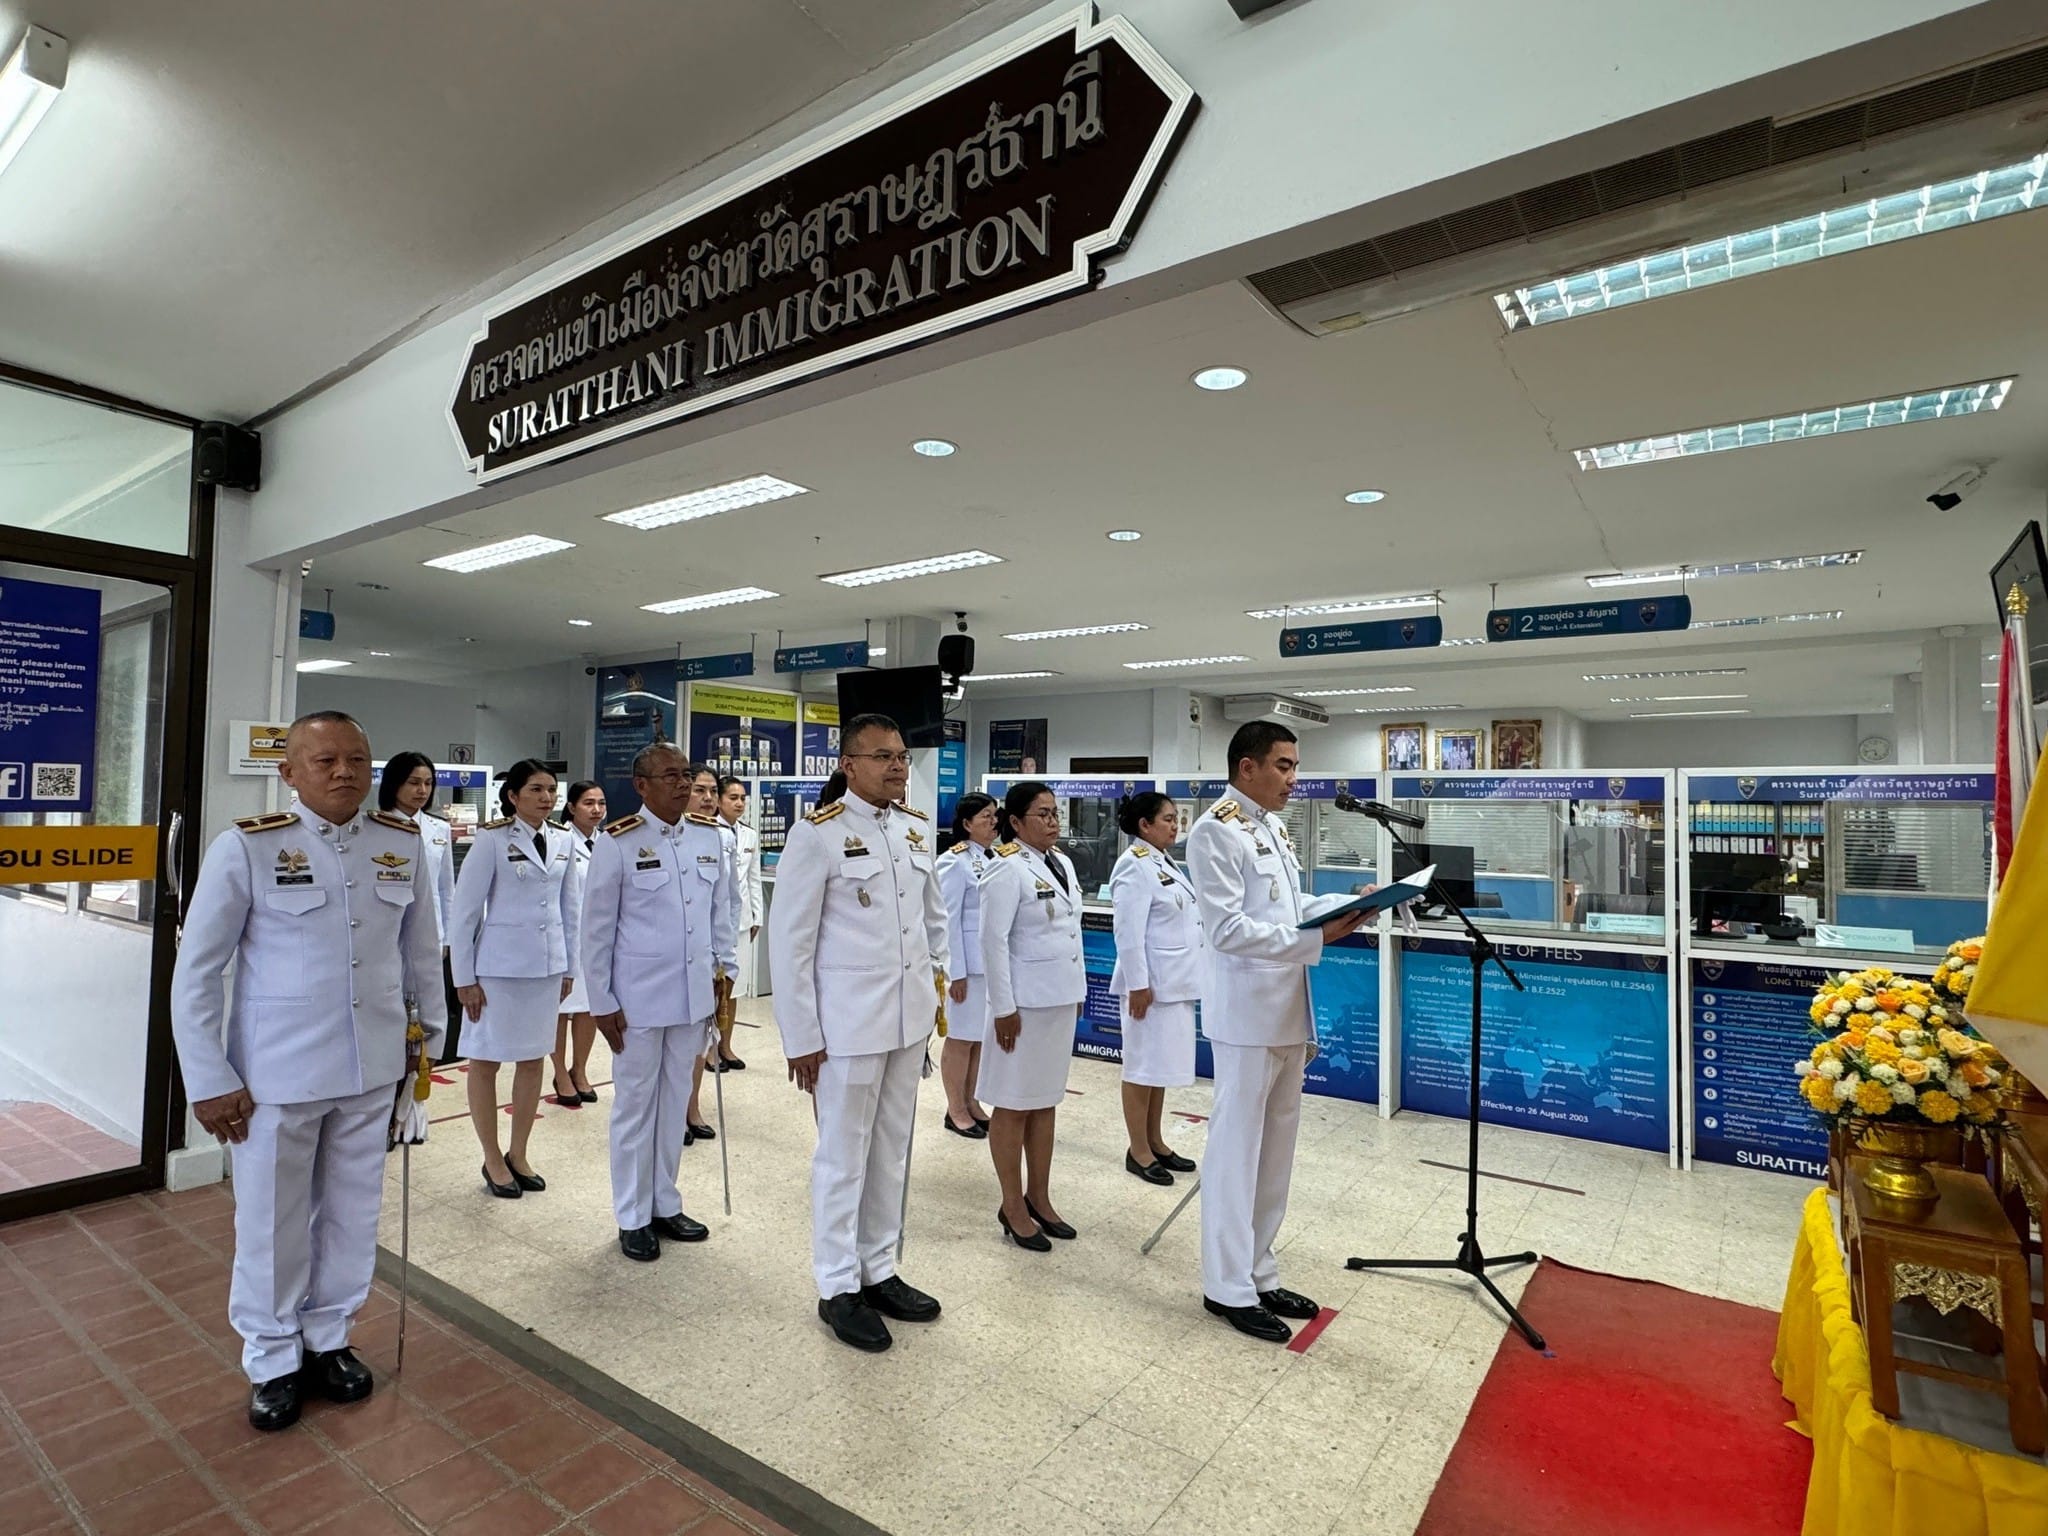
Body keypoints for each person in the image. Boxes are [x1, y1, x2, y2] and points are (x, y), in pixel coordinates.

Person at [171, 711, 446, 1431]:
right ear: (289, 772)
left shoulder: (400, 844)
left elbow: (421, 953)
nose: (344, 771)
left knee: (353, 1212)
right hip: (276, 1074)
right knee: (272, 1221)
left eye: (357, 758)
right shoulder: (248, 847)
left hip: (371, 1066)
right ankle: (272, 1358)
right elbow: (197, 971)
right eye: (324, 761)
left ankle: (328, 1336)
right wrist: (208, 1076)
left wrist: (427, 1048)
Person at [769, 713, 948, 1352]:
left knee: (892, 1152)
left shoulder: (915, 830)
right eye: (882, 757)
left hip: (906, 1022)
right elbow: (790, 945)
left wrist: (933, 994)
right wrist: (801, 1037)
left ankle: (879, 1269)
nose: (897, 766)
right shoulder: (816, 835)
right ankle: (838, 1285)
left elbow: (932, 922)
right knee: (842, 1157)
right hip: (846, 1026)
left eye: (901, 756)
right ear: (848, 765)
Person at [1188, 721, 1369, 1343]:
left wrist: (1347, 905)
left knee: (1275, 1154)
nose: (1294, 778)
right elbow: (1226, 930)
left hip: (1287, 1009)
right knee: (1236, 1154)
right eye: (1284, 766)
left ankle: (1260, 1271)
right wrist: (1314, 938)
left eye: (1295, 766)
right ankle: (1226, 1287)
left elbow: (1288, 909)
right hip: (1245, 1014)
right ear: (1248, 767)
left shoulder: (1269, 827)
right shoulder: (1215, 831)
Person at [580, 742, 734, 1261]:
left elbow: (721, 913)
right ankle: (632, 1215)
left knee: (674, 1104)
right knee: (635, 1106)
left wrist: (726, 973)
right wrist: (601, 1000)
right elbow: (595, 930)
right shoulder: (618, 842)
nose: (683, 783)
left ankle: (664, 1201)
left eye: (686, 774)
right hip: (637, 1001)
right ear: (641, 786)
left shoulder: (709, 838)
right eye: (670, 776)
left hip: (692, 997)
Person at [447, 759, 581, 1199]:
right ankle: (491, 1157)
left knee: (533, 1059)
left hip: (545, 969)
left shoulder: (562, 839)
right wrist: (464, 978)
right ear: (513, 795)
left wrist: (569, 967)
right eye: (536, 789)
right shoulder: (492, 839)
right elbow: (465, 913)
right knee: (485, 1061)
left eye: (551, 790)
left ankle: (518, 1152)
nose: (547, 797)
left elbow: (570, 910)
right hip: (498, 972)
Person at [979, 781, 1086, 1252]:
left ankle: (1039, 1197)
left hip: (1057, 1001)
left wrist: (1076, 989)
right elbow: (992, 941)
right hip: (1022, 1008)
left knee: (1045, 1102)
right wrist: (1003, 1008)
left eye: (1055, 812)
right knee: (1013, 1103)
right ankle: (1012, 1205)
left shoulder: (1061, 863)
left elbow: (1068, 931)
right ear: (1016, 822)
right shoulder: (1006, 868)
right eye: (1042, 814)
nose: (1052, 821)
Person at [1109, 791, 1203, 1185]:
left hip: (1174, 983)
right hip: (1149, 987)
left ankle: (1156, 1141)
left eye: (1176, 818)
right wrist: (1138, 985)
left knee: (1159, 1068)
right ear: (1144, 825)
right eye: (1167, 818)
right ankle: (1138, 1150)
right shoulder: (1133, 865)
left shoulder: (1163, 861)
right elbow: (1127, 933)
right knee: (1141, 1067)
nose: (1175, 825)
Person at [377, 751, 463, 1063]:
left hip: (431, 932)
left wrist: (448, 937)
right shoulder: (377, 826)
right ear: (395, 784)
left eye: (427, 783)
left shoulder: (439, 829)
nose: (422, 790)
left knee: (426, 1003)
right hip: (389, 929)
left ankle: (424, 1060)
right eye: (414, 782)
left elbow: (446, 888)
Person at [935, 793, 998, 1138]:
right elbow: (947, 919)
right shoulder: (953, 862)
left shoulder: (994, 858)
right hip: (966, 969)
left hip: (989, 966)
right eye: (986, 816)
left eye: (994, 815)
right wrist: (954, 972)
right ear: (967, 824)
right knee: (961, 1039)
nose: (993, 822)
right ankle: (955, 1109)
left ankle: (971, 1101)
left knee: (978, 1039)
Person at [550, 780, 606, 1108]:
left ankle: (579, 1069)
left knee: (589, 1007)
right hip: (565, 937)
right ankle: (559, 1072)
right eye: (588, 803)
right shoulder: (558, 840)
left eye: (601, 803)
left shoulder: (608, 841)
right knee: (559, 1009)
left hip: (598, 939)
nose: (596, 810)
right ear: (571, 807)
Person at [681, 764, 728, 1136]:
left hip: (704, 961)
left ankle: (692, 1107)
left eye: (713, 791)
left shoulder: (716, 837)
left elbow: (723, 906)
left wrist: (726, 963)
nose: (708, 798)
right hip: (666, 965)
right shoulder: (663, 836)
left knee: (700, 1040)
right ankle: (670, 1114)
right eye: (700, 790)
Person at [718, 776, 765, 1008]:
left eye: (742, 799)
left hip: (743, 920)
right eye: (733, 797)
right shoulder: (708, 830)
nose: (739, 803)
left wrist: (757, 916)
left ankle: (728, 1034)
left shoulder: (749, 834)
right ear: (719, 800)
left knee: (735, 987)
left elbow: (753, 878)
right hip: (716, 919)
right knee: (715, 986)